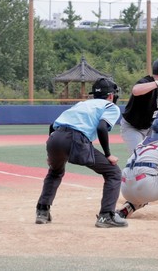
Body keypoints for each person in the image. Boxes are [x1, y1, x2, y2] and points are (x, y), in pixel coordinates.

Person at [35, 78, 128, 228]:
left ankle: (42, 211)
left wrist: (51, 155)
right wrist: (108, 154)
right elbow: (101, 128)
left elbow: (53, 126)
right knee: (113, 172)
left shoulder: (82, 104)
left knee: (55, 171)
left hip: (55, 138)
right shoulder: (110, 106)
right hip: (76, 140)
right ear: (111, 95)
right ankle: (106, 216)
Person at [120, 57, 158, 153]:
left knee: (156, 154)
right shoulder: (146, 81)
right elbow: (135, 90)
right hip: (132, 127)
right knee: (139, 155)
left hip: (150, 127)